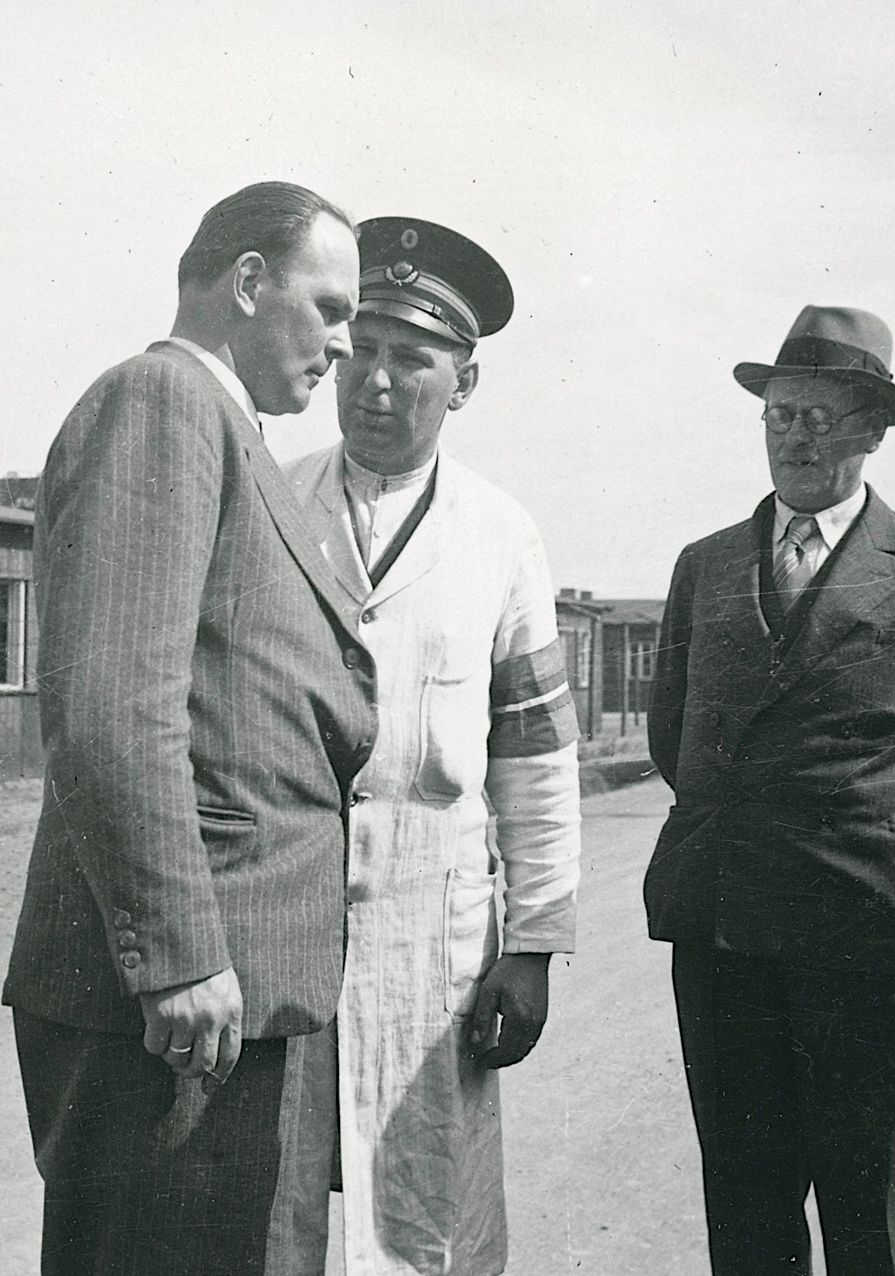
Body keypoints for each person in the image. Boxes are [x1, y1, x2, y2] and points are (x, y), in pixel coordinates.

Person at [2, 181, 377, 1275]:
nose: (344, 345)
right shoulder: (163, 403)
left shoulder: (228, 430)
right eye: (331, 306)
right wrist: (176, 955)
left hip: (229, 990)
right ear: (248, 282)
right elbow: (113, 708)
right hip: (176, 1004)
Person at [281, 217, 582, 1275]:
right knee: (274, 1211)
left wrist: (535, 943)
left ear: (464, 382)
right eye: (358, 347)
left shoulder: (502, 535)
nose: (374, 380)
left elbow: (538, 759)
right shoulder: (272, 502)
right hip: (287, 920)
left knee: (428, 1218)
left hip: (434, 934)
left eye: (412, 359)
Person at [644, 305, 895, 1275]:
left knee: (868, 1200)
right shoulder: (705, 566)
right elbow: (676, 735)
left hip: (865, 943)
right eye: (781, 414)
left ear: (873, 429)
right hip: (722, 933)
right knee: (746, 1198)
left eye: (822, 417)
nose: (796, 436)